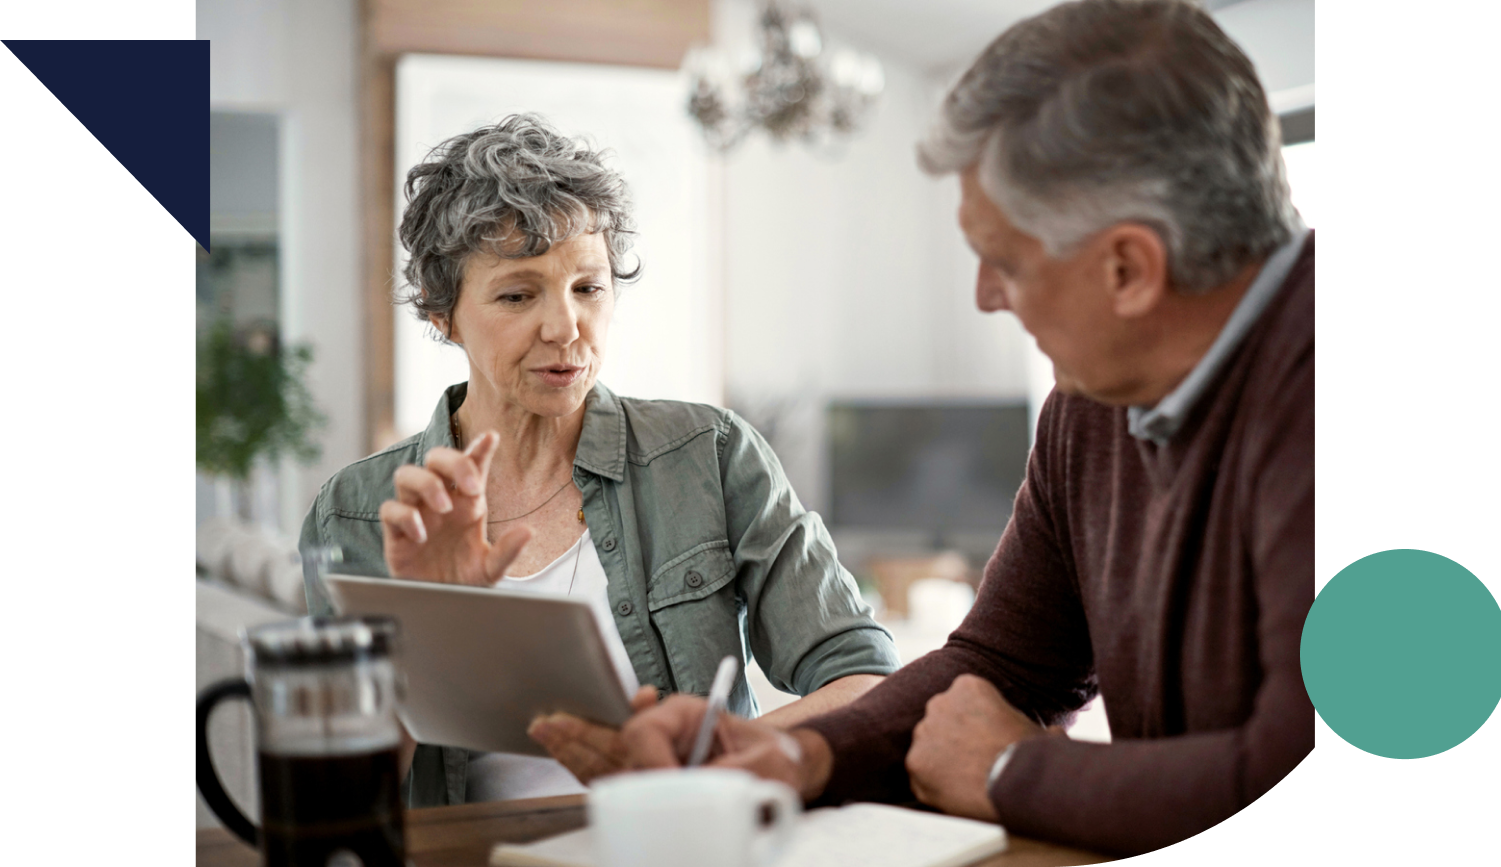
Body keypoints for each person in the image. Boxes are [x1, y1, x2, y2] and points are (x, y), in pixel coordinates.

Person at [618, 1, 1331, 862]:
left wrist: (1008, 772)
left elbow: (1313, 791)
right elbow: (1003, 662)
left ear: (1128, 269)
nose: (985, 296)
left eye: (1006, 260)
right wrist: (799, 754)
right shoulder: (1096, 399)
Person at [299, 114, 899, 808]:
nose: (564, 327)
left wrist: (704, 763)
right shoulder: (354, 512)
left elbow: (868, 678)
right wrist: (428, 626)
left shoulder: (709, 454)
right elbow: (338, 796)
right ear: (442, 312)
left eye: (587, 287)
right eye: (518, 294)